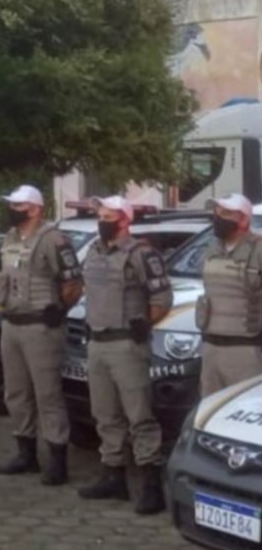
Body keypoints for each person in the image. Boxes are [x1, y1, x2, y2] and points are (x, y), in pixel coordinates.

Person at [79, 195, 172, 514]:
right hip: (97, 342)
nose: (101, 219)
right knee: (105, 414)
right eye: (100, 214)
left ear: (123, 220)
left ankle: (150, 486)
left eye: (107, 215)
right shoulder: (93, 250)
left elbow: (162, 297)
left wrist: (145, 324)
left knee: (139, 416)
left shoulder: (141, 254)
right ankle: (113, 476)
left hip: (126, 345)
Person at [0, 185, 83, 485]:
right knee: (16, 392)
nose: (12, 209)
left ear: (35, 208)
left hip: (40, 326)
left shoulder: (53, 239)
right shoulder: (9, 238)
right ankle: (26, 453)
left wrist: (60, 309)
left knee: (47, 394)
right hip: (12, 323)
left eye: (18, 205)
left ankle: (57, 460)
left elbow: (73, 282)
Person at [198, 194, 262, 397]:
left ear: (243, 220)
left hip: (246, 349)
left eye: (226, 213)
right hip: (211, 347)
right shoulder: (211, 249)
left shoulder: (258, 250)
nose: (218, 218)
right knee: (210, 409)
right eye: (216, 213)